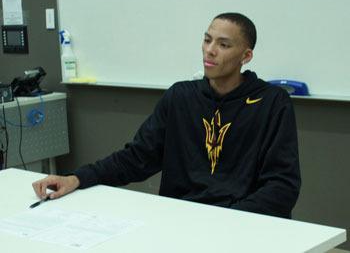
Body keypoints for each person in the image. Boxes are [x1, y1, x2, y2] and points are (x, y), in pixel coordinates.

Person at [33, 12, 301, 218]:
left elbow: (281, 186)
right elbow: (136, 158)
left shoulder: (272, 102)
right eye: (207, 40)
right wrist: (77, 178)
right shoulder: (180, 97)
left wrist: (228, 220)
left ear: (246, 55)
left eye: (223, 44)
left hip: (240, 224)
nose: (210, 50)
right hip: (179, 219)